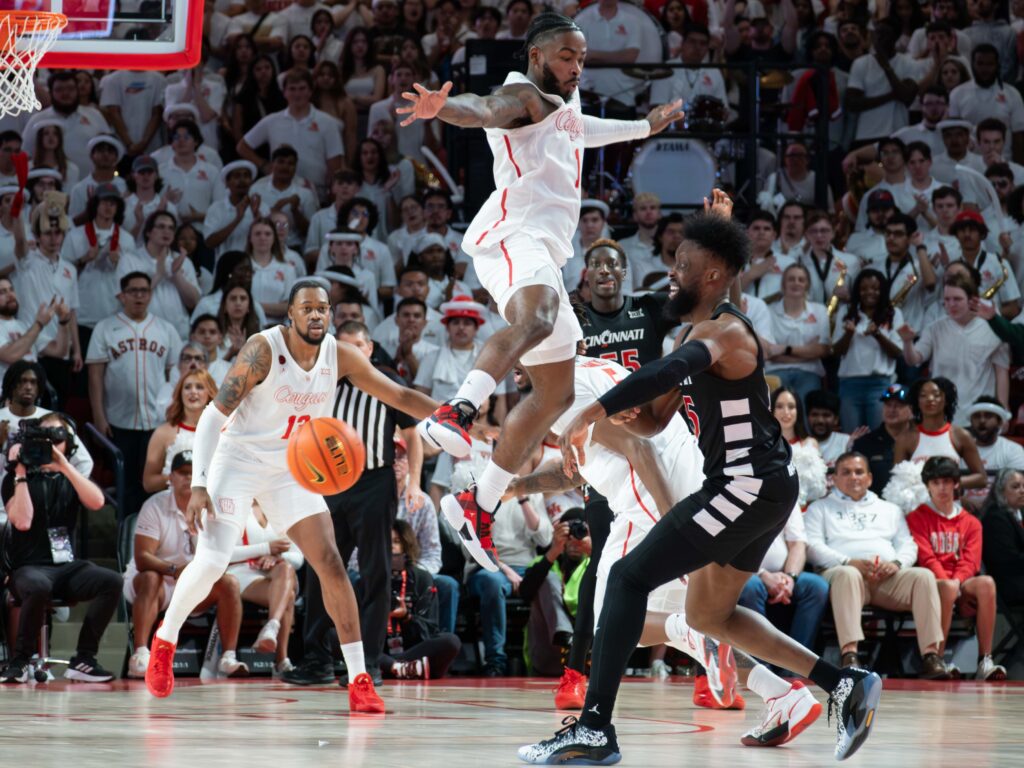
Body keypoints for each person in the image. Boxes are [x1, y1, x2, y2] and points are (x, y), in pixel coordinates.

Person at [518, 200, 881, 764]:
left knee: (627, 577)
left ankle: (594, 727)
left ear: (712, 276)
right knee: (709, 615)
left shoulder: (726, 333)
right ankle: (842, 683)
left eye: (682, 264)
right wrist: (611, 415)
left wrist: (591, 411)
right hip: (757, 487)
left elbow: (666, 372)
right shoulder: (693, 332)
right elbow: (657, 414)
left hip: (746, 484)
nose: (671, 272)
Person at [398, 12, 682, 572]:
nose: (576, 66)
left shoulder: (565, 103)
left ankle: (476, 503)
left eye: (581, 58)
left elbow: (583, 131)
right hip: (512, 234)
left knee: (554, 391)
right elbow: (483, 109)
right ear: (535, 57)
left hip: (547, 252)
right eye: (566, 57)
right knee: (542, 317)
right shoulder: (523, 95)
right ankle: (457, 411)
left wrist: (643, 128)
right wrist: (444, 110)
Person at [144, 280, 438, 714]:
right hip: (238, 462)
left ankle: (359, 678)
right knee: (211, 561)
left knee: (332, 563)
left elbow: (398, 395)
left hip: (291, 469)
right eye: (308, 308)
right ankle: (165, 640)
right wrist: (201, 485)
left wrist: (453, 414)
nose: (317, 315)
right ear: (292, 315)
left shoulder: (341, 355)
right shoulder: (263, 350)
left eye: (324, 309)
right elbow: (211, 418)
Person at [283, 321, 425, 686]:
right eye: (342, 347)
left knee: (377, 571)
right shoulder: (320, 383)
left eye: (357, 346)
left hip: (374, 482)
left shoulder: (386, 379)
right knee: (321, 568)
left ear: (370, 347)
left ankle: (371, 661)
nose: (349, 353)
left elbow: (411, 430)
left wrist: (414, 480)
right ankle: (316, 660)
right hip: (327, 484)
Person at [804, 452, 952, 679]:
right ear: (833, 478)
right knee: (848, 574)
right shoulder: (820, 508)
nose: (854, 477)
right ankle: (850, 654)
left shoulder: (889, 509)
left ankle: (931, 656)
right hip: (843, 577)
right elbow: (812, 547)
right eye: (846, 472)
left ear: (870, 478)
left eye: (859, 472)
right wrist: (847, 561)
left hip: (886, 579)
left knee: (923, 576)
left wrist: (896, 563)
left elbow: (908, 545)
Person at [0, 413, 119, 684]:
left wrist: (65, 466)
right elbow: (22, 521)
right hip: (27, 568)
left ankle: (84, 659)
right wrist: (20, 471)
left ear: (69, 444)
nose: (51, 444)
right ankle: (20, 661)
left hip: (66, 568)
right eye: (45, 438)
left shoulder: (70, 477)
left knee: (111, 580)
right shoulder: (15, 480)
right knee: (39, 584)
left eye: (58, 438)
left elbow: (98, 502)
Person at [124, 450, 248, 679]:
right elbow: (142, 558)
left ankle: (228, 657)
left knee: (230, 583)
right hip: (157, 583)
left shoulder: (212, 507)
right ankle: (140, 654)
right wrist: (174, 570)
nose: (189, 478)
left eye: (193, 473)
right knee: (151, 577)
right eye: (182, 473)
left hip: (193, 583)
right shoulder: (155, 505)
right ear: (170, 477)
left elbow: (224, 553)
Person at [87, 272, 181, 518]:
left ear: (150, 295)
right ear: (122, 295)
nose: (139, 296)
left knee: (153, 487)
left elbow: (175, 378)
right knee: (126, 487)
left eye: (144, 291)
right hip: (120, 420)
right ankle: (124, 543)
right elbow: (95, 376)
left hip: (156, 421)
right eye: (133, 291)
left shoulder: (165, 329)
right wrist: (99, 416)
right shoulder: (105, 328)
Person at [906, 457, 1007, 680]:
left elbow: (971, 561)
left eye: (947, 481)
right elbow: (926, 558)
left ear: (956, 484)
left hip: (960, 580)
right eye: (935, 483)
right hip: (931, 581)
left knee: (986, 583)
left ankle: (985, 660)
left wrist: (958, 583)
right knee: (948, 587)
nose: (942, 488)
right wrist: (950, 583)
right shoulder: (916, 517)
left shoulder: (971, 522)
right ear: (927, 486)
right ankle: (937, 659)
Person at [900, 272, 1010, 425]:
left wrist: (1003, 410)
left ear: (972, 300)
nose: (951, 304)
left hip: (979, 417)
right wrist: (907, 342)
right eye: (947, 299)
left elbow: (1001, 373)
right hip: (942, 416)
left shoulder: (993, 329)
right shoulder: (934, 328)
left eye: (957, 299)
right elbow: (914, 360)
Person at [227, 500, 304, 675]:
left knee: (286, 568)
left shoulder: (284, 511)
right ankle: (282, 660)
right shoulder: (237, 507)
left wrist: (279, 557)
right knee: (288, 596)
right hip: (241, 571)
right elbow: (226, 552)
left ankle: (272, 626)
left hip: (275, 574)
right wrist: (265, 549)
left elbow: (299, 557)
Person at [380, 519, 462, 679]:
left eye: (396, 541)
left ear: (406, 545)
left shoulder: (422, 578)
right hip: (380, 647)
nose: (391, 546)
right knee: (334, 635)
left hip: (415, 650)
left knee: (451, 641)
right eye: (388, 541)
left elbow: (430, 630)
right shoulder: (370, 578)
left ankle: (389, 666)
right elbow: (360, 630)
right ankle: (399, 668)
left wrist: (406, 617)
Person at [833, 268, 903, 432]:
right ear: (857, 291)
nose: (869, 293)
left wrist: (878, 335)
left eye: (875, 288)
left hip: (879, 384)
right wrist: (849, 334)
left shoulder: (893, 314)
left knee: (879, 436)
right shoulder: (846, 312)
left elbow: (897, 353)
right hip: (849, 385)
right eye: (864, 289)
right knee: (852, 438)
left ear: (882, 290)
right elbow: (836, 352)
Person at [893, 376, 987, 490]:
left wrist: (950, 483)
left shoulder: (961, 435)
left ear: (946, 400)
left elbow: (982, 478)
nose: (930, 398)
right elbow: (897, 481)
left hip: (951, 504)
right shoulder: (905, 439)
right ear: (917, 402)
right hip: (918, 505)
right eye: (923, 395)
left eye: (936, 394)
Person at [764, 263, 831, 405]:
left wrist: (784, 349)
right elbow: (767, 352)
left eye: (801, 280)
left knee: (806, 419)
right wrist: (808, 353)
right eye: (791, 279)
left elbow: (823, 350)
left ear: (807, 285)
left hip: (809, 374)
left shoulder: (819, 310)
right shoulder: (768, 311)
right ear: (783, 284)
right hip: (776, 372)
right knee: (774, 419)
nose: (796, 283)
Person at [142, 369, 218, 493]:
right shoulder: (162, 433)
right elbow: (148, 483)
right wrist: (178, 477)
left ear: (210, 393)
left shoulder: (223, 431)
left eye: (199, 387)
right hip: (172, 504)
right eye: (187, 387)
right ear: (180, 393)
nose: (193, 391)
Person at [961, 396, 1024, 508]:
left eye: (988, 416)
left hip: (1002, 512)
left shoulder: (1014, 450)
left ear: (999, 422)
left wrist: (989, 507)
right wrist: (961, 500)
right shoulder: (959, 449)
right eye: (976, 416)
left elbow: (1018, 492)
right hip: (963, 511)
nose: (982, 421)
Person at [852, 384, 915, 495]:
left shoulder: (920, 440)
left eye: (898, 405)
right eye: (888, 405)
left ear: (912, 410)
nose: (891, 410)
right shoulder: (864, 443)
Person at [981, 468, 1024, 605]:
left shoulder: (1017, 512)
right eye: (1015, 487)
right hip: (1009, 584)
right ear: (1001, 492)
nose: (1022, 491)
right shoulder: (995, 518)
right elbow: (1008, 561)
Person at [805, 390, 853, 467]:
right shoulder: (801, 445)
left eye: (826, 415)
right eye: (815, 415)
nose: (820, 420)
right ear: (808, 417)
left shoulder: (846, 442)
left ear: (836, 419)